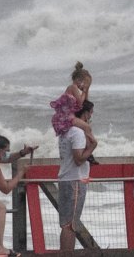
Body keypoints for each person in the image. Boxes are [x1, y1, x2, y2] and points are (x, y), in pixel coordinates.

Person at [58, 100, 97, 251]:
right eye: (90, 112)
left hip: (66, 178)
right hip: (75, 180)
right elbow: (79, 159)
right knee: (71, 225)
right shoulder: (78, 132)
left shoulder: (65, 130)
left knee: (66, 224)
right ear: (85, 113)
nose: (91, 116)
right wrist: (92, 147)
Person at [50, 61, 99, 165]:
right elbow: (80, 102)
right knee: (86, 127)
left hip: (70, 115)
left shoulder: (75, 89)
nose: (84, 86)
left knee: (86, 127)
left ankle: (87, 149)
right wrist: (84, 90)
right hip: (67, 117)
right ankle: (89, 150)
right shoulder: (73, 87)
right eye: (84, 83)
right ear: (78, 80)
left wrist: (87, 89)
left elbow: (85, 102)